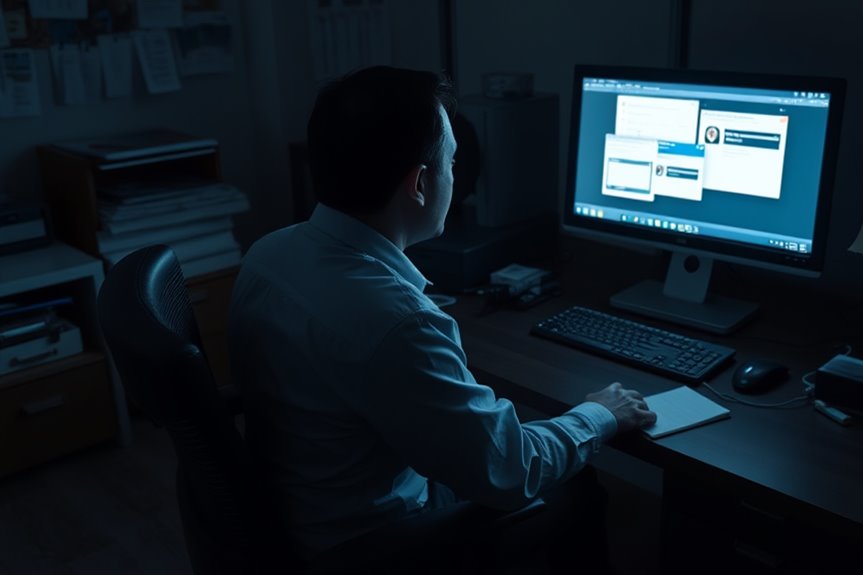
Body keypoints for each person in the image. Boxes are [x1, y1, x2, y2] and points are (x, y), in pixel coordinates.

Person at [228, 66, 657, 572]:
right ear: (419, 183)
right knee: (576, 485)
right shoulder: (396, 322)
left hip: (296, 514)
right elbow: (509, 472)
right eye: (451, 161)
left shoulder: (266, 255)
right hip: (371, 545)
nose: (457, 176)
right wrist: (601, 413)